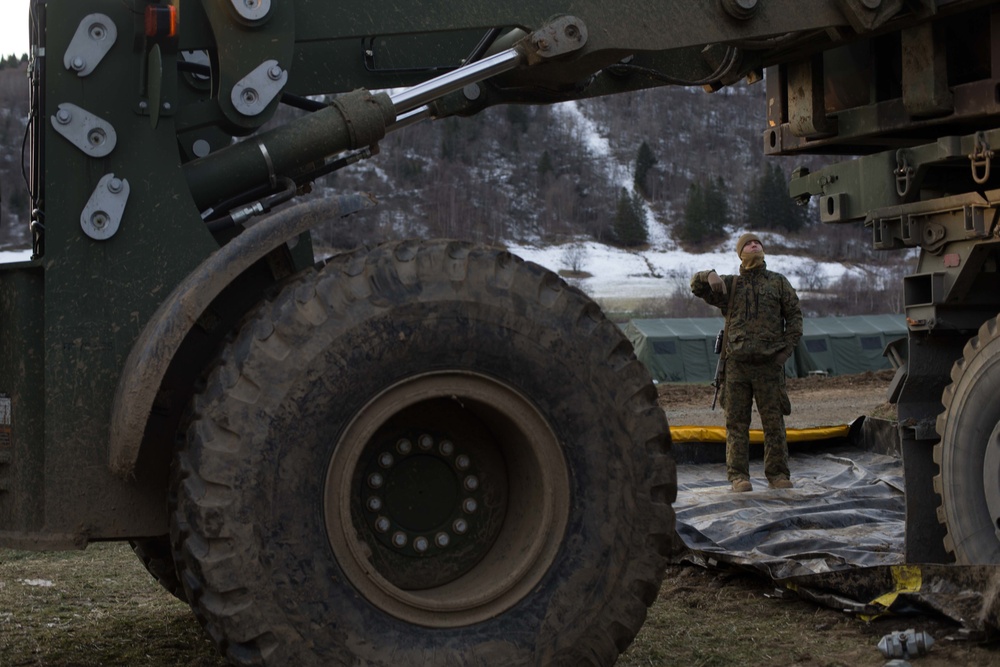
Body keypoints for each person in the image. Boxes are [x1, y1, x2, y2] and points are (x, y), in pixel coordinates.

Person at [690, 232, 802, 492]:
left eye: (758, 243)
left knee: (773, 423)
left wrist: (784, 352)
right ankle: (739, 477)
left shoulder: (778, 283)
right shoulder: (730, 285)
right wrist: (709, 274)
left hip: (769, 366)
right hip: (737, 366)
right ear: (740, 253)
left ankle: (777, 475)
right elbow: (696, 287)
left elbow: (795, 317)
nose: (754, 245)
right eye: (748, 244)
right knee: (736, 424)